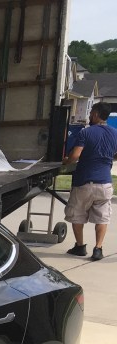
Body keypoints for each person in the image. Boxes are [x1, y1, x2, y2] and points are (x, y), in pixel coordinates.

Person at [64, 102, 117, 261]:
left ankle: (80, 246)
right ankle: (98, 248)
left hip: (84, 181)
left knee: (77, 214)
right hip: (105, 182)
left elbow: (75, 156)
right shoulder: (115, 133)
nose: (89, 115)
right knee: (102, 217)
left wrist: (66, 161)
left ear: (95, 114)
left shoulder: (86, 133)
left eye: (90, 112)